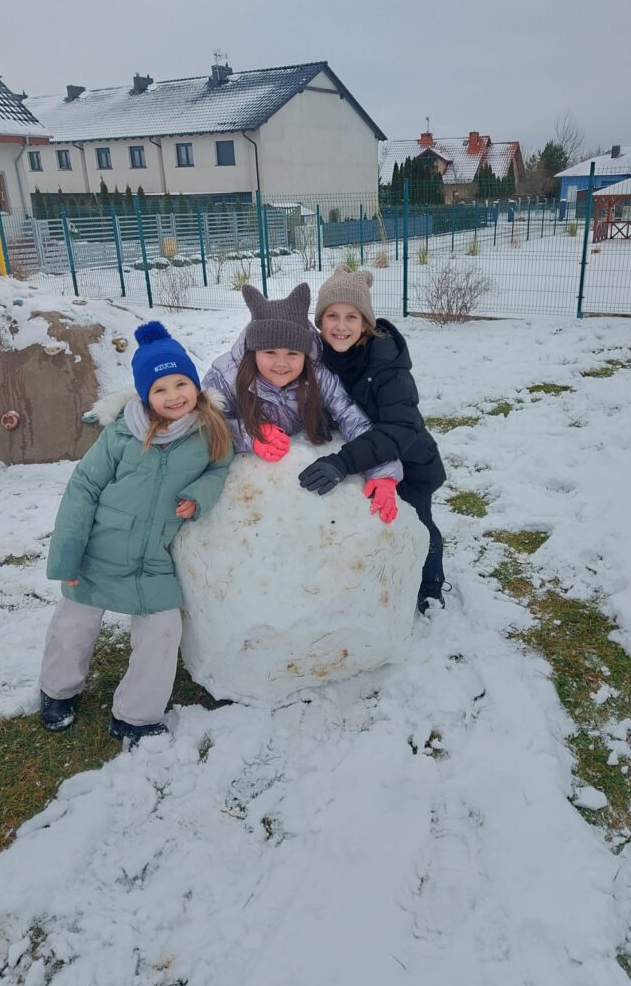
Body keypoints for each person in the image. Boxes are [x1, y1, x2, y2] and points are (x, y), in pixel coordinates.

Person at [40, 322, 234, 744]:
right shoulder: (122, 433)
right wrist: (67, 558)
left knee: (163, 632)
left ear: (196, 386)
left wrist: (199, 495)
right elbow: (83, 488)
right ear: (146, 395)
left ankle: (135, 715)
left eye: (181, 383)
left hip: (152, 559)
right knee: (75, 625)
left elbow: (220, 468)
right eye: (160, 389)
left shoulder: (208, 431)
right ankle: (57, 690)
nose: (173, 395)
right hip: (98, 551)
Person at [299, 264, 448, 614]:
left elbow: (402, 426)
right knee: (379, 530)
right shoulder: (317, 359)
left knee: (419, 524)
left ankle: (429, 587)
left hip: (410, 462)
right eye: (331, 316)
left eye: (352, 316)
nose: (341, 325)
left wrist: (343, 462)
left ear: (365, 322)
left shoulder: (386, 364)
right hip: (366, 460)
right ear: (319, 322)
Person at [202, 282, 401, 522]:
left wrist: (383, 472)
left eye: (292, 354)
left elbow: (351, 417)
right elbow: (205, 424)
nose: (281, 363)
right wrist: (250, 434)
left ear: (305, 355)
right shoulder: (226, 376)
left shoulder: (318, 375)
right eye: (270, 353)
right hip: (248, 491)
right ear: (253, 351)